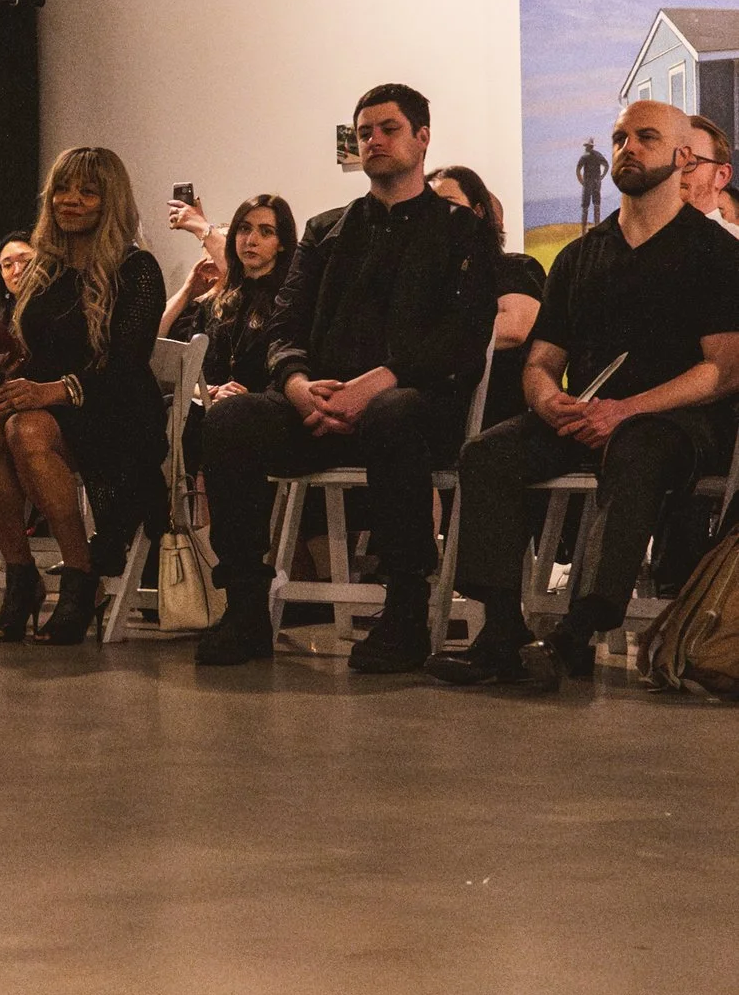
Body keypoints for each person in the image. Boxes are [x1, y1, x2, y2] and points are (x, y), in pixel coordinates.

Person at [428, 100, 739, 690]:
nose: (627, 148)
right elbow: (542, 360)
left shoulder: (717, 253)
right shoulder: (580, 256)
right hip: (587, 411)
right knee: (486, 453)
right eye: (620, 138)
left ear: (682, 156)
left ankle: (577, 633)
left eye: (646, 137)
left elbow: (723, 370)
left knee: (636, 449)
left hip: (678, 421)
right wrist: (547, 400)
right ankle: (501, 632)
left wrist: (627, 409)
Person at [193, 84, 497, 673]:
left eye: (388, 129)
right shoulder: (327, 229)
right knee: (230, 418)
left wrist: (379, 381)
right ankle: (246, 606)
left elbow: (462, 340)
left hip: (414, 410)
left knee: (393, 411)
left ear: (422, 138)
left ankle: (405, 611)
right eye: (364, 133)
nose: (373, 141)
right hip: (319, 406)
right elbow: (284, 327)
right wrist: (297, 384)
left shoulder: (463, 230)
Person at [0, 146, 167, 644]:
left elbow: (125, 365)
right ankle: (22, 576)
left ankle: (81, 577)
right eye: (62, 188)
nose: (70, 200)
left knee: (26, 428)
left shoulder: (137, 268)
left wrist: (51, 390)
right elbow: (41, 350)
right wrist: (12, 361)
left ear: (110, 200)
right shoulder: (45, 269)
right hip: (49, 405)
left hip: (115, 411)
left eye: (87, 191)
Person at [428, 164, 546, 425]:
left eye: (448, 204)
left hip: (495, 419)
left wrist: (425, 340)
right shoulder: (425, 281)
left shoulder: (514, 267)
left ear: (479, 213)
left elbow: (515, 327)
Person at [167, 195, 298, 400]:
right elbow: (180, 373)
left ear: (281, 243)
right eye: (244, 229)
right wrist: (210, 392)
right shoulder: (215, 303)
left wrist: (247, 400)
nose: (251, 241)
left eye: (266, 232)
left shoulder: (287, 301)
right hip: (207, 406)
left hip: (261, 408)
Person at [679, 115, 739, 240]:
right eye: (668, 165)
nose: (673, 174)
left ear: (722, 175)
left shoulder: (733, 241)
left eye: (689, 163)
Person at [577, 138, 608, 228]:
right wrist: (602, 176)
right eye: (586, 146)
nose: (586, 148)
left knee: (589, 206)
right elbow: (606, 165)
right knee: (592, 205)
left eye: (587, 146)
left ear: (590, 146)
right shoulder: (596, 155)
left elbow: (578, 170)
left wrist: (582, 181)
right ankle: (589, 229)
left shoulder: (585, 156)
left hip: (589, 183)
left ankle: (587, 229)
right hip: (594, 182)